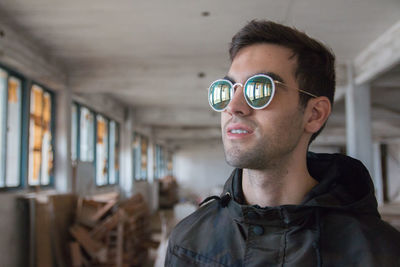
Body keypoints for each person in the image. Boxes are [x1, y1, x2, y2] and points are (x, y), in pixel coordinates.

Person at [165, 20, 400, 266]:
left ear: (314, 114)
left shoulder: (379, 254)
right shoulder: (188, 242)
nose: (233, 107)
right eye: (227, 89)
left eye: (259, 89)